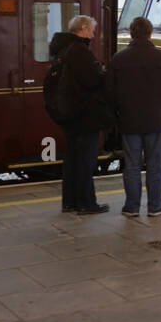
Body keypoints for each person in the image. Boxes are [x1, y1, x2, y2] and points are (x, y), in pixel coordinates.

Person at [107, 16, 161, 218]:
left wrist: (118, 113)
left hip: (129, 120)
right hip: (156, 120)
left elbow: (110, 92)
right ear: (150, 33)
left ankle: (132, 207)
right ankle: (155, 206)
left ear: (132, 33)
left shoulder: (118, 59)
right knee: (154, 165)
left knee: (131, 165)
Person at [49, 15, 112, 215]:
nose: (93, 34)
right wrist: (102, 73)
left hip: (69, 114)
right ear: (83, 28)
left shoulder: (63, 49)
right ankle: (86, 203)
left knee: (72, 159)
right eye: (92, 30)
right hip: (85, 115)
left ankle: (69, 202)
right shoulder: (80, 51)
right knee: (85, 160)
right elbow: (92, 80)